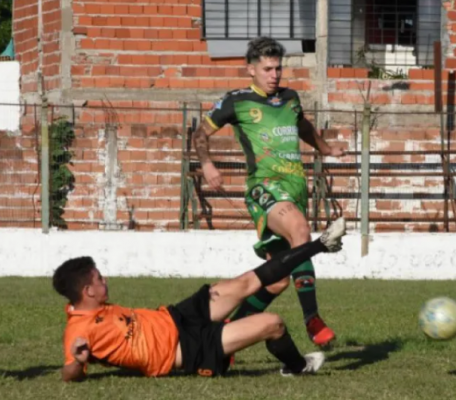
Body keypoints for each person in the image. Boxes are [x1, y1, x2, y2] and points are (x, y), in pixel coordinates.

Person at [53, 217, 346, 382]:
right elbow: (69, 373)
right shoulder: (78, 331)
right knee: (274, 324)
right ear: (87, 292)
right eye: (99, 279)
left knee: (245, 282)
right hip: (184, 349)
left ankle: (321, 244)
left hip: (178, 315)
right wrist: (77, 364)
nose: (105, 281)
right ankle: (297, 366)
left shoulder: (99, 307)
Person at [191, 37, 346, 347]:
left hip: (294, 188)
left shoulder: (290, 97)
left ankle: (224, 336)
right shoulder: (237, 100)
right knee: (300, 228)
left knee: (276, 281)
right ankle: (312, 319)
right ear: (251, 69)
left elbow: (302, 127)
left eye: (278, 68)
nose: (275, 74)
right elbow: (200, 133)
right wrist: (207, 164)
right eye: (267, 69)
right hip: (264, 187)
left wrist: (327, 148)